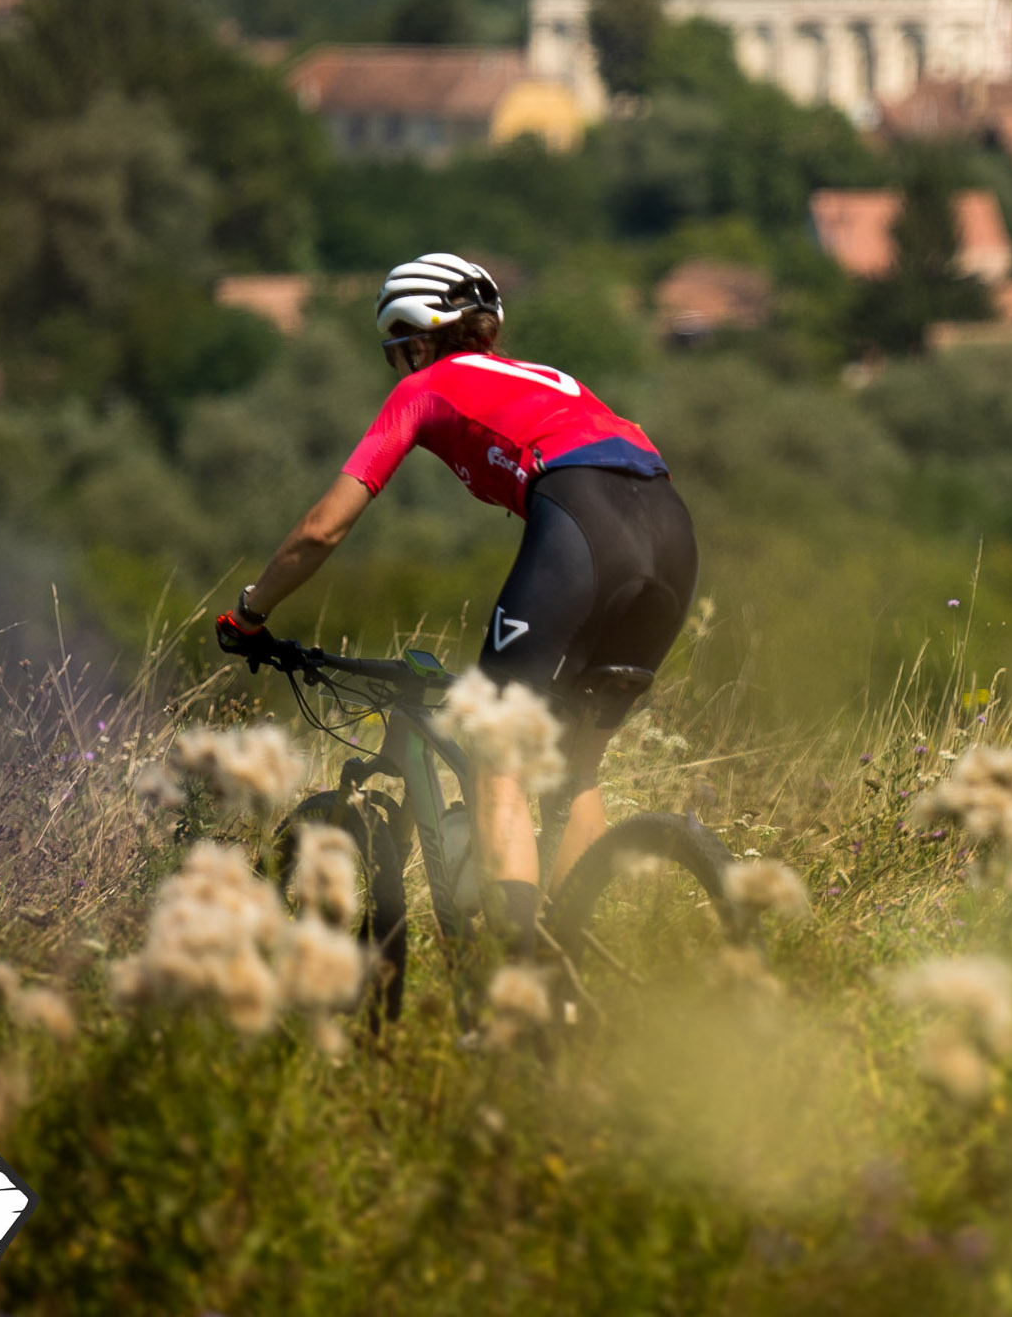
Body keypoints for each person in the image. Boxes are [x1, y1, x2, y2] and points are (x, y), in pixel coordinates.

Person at [215, 252, 696, 947]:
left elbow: (323, 529)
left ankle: (517, 972)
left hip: (585, 519)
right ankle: (573, 964)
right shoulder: (547, 379)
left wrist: (250, 613)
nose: (399, 366)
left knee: (496, 754)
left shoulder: (424, 388)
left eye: (396, 351)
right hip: (672, 530)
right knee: (576, 770)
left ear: (415, 340)